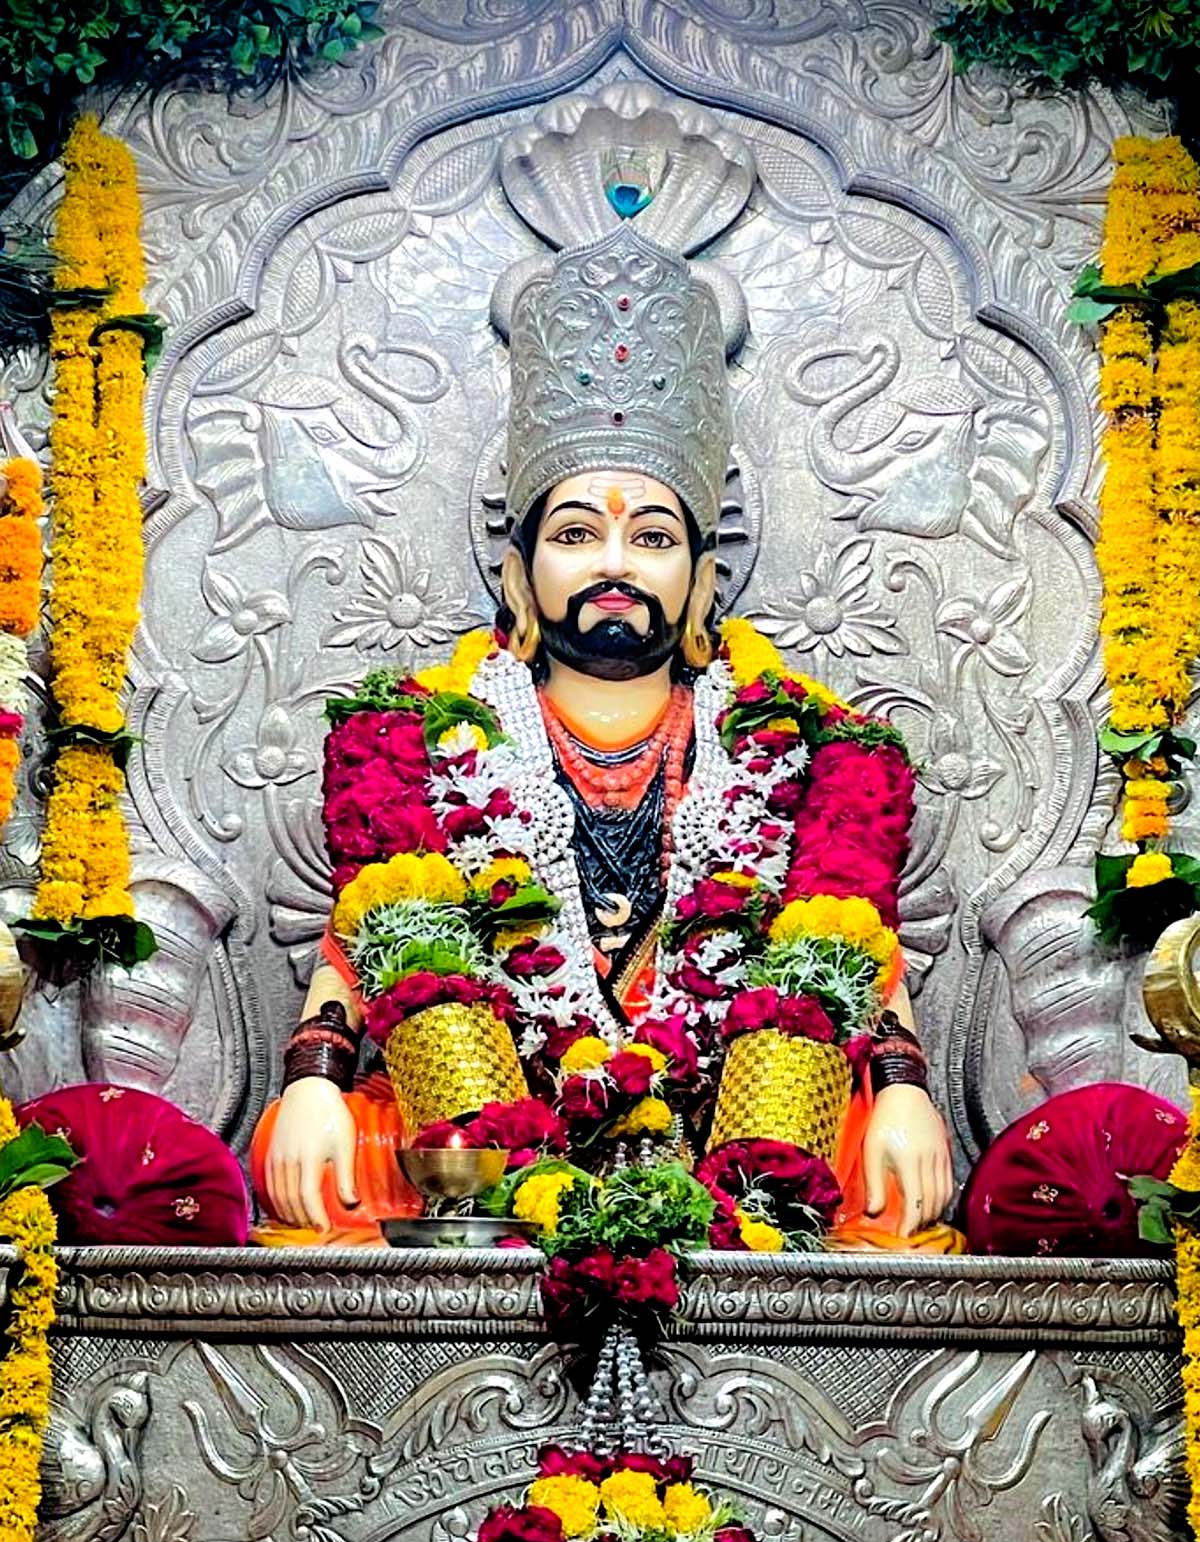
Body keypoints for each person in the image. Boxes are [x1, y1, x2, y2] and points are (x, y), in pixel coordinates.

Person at [255, 220, 954, 1245]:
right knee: (344, 1166)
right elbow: (374, 929)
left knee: (873, 1179)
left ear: (701, 575)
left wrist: (901, 1088)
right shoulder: (418, 735)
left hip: (742, 1118)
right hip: (476, 1133)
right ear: (521, 568)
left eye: (652, 536)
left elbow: (850, 938)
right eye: (577, 533)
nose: (615, 563)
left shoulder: (808, 743)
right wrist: (315, 1077)